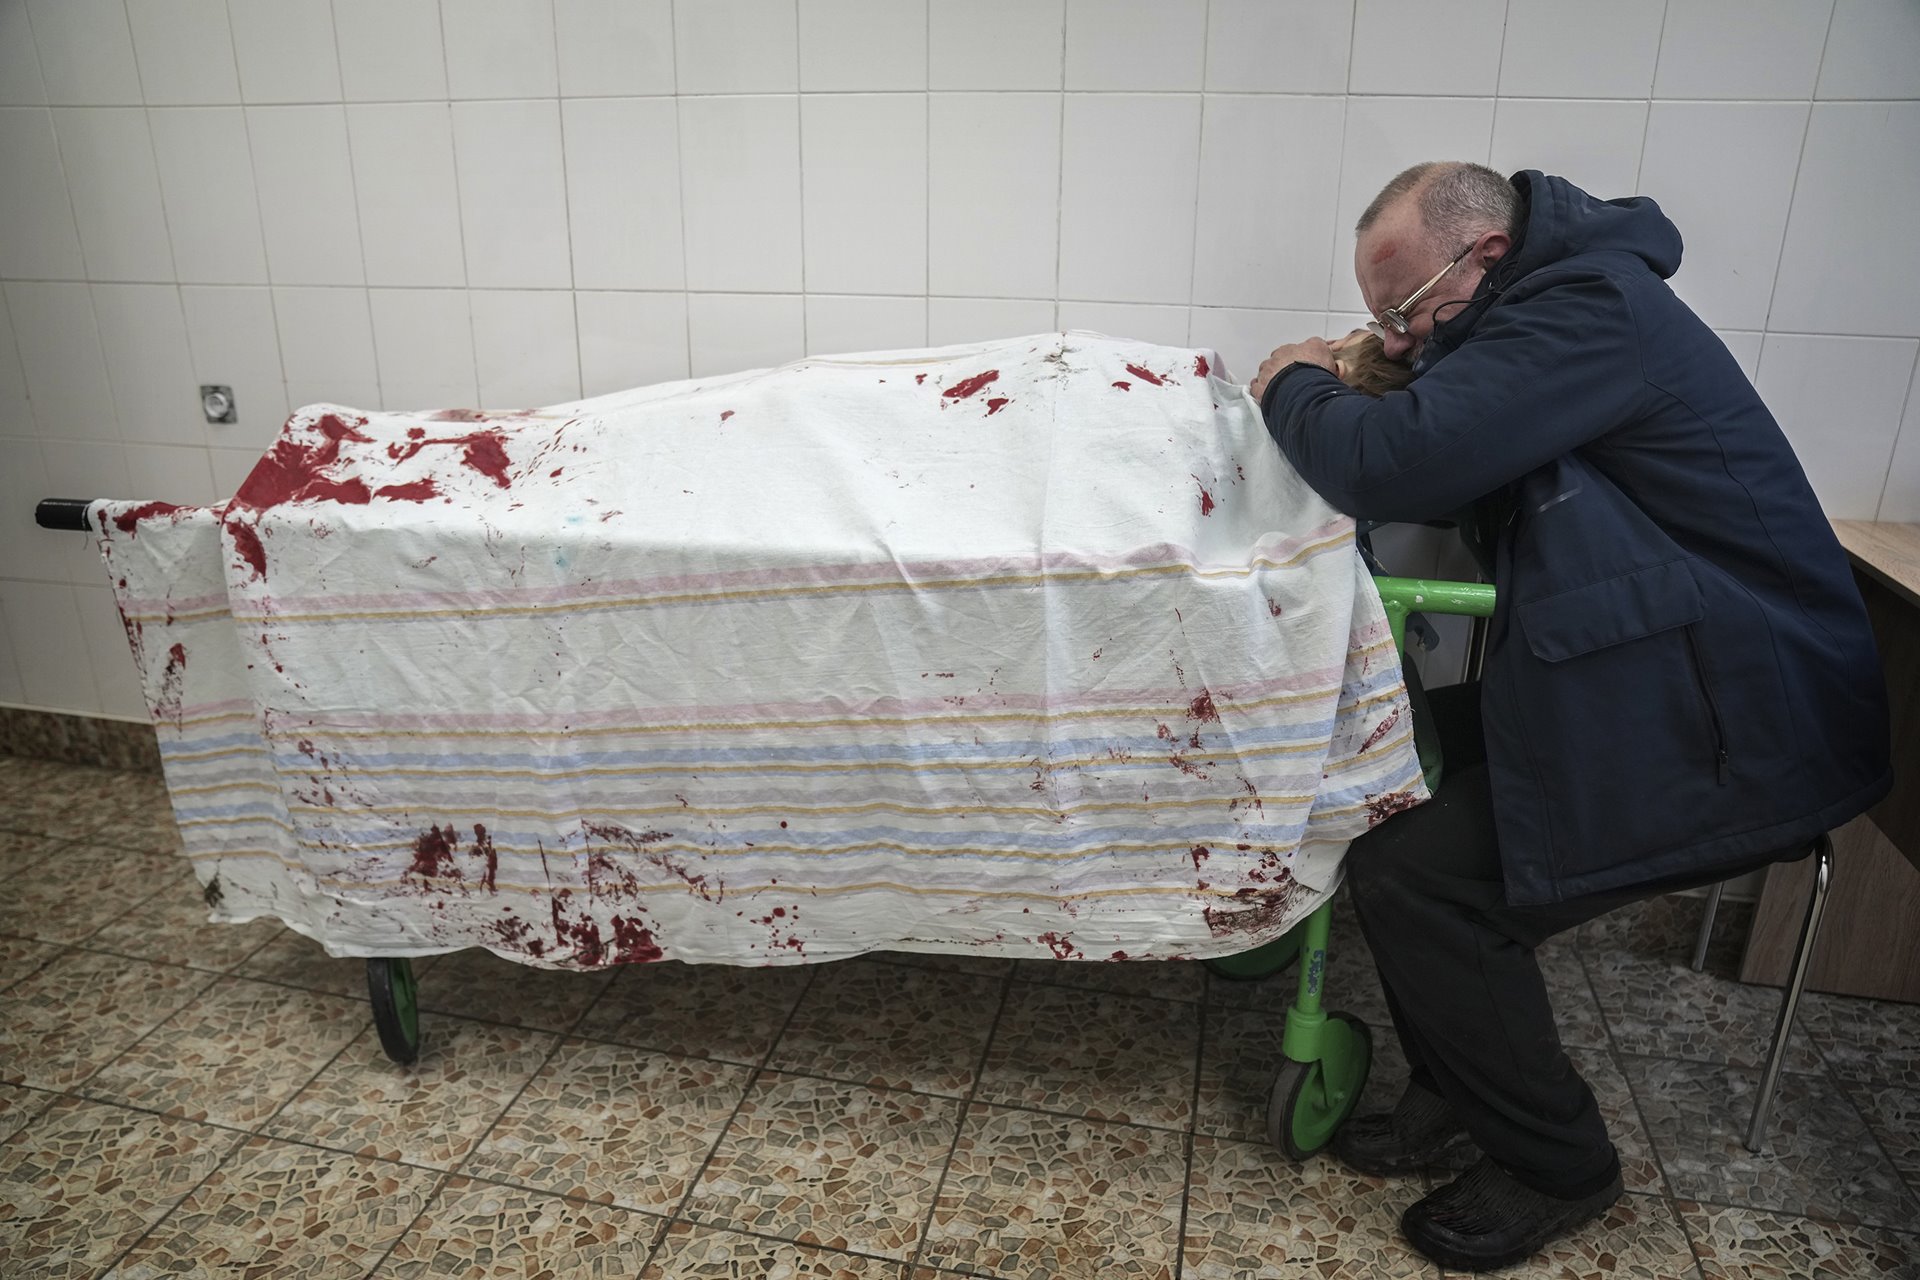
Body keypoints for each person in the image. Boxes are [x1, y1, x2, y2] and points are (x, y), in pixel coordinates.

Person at [1248, 162, 1892, 1272]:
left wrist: (1292, 385)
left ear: (1485, 256)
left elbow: (1398, 467)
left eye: (1406, 312)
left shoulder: (1590, 309)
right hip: (1671, 672)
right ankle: (1456, 1086)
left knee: (1425, 876)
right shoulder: (1549, 311)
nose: (1399, 341)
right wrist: (1381, 384)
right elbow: (1454, 464)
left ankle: (1558, 1162)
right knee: (1386, 763)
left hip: (1737, 716)